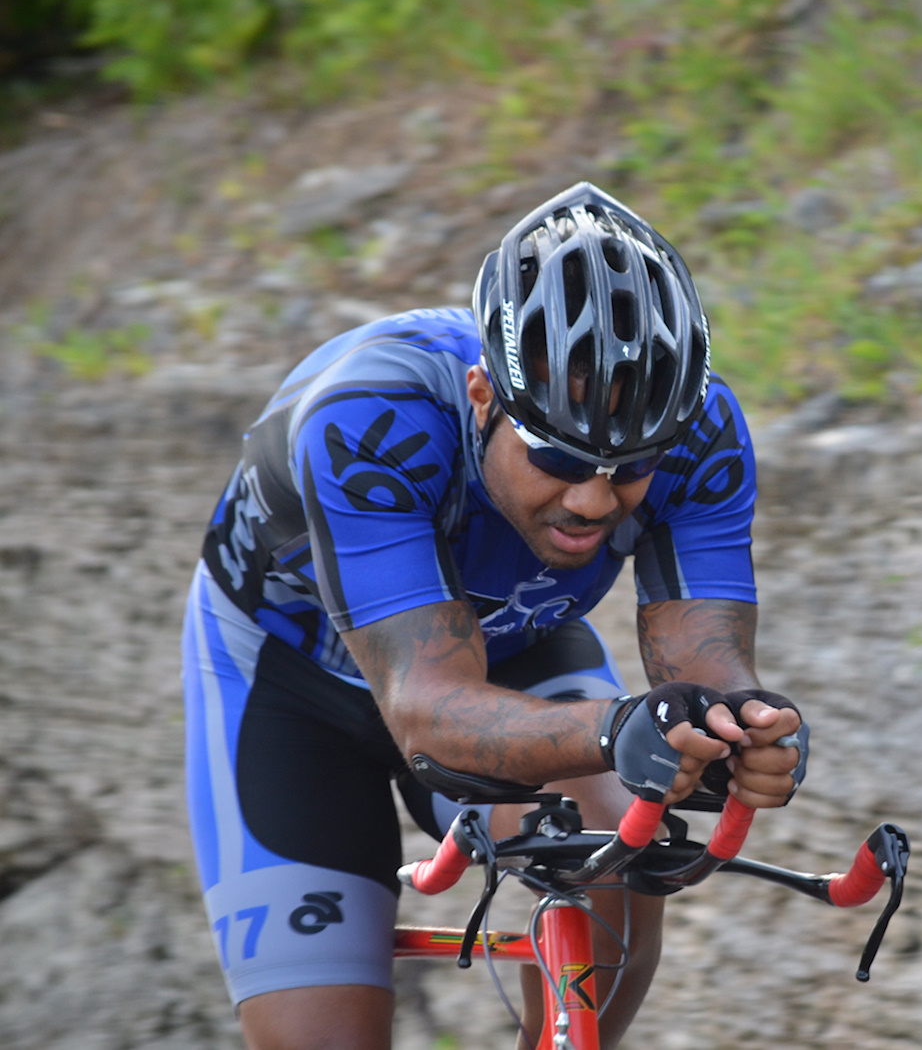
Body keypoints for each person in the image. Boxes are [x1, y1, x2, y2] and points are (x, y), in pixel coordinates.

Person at [181, 181, 806, 1050]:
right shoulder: (368, 419)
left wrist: (744, 732)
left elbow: (706, 672)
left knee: (615, 839)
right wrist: (623, 729)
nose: (594, 501)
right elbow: (430, 712)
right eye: (559, 458)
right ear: (482, 396)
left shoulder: (700, 434)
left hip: (514, 650)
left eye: (632, 468)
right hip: (288, 684)